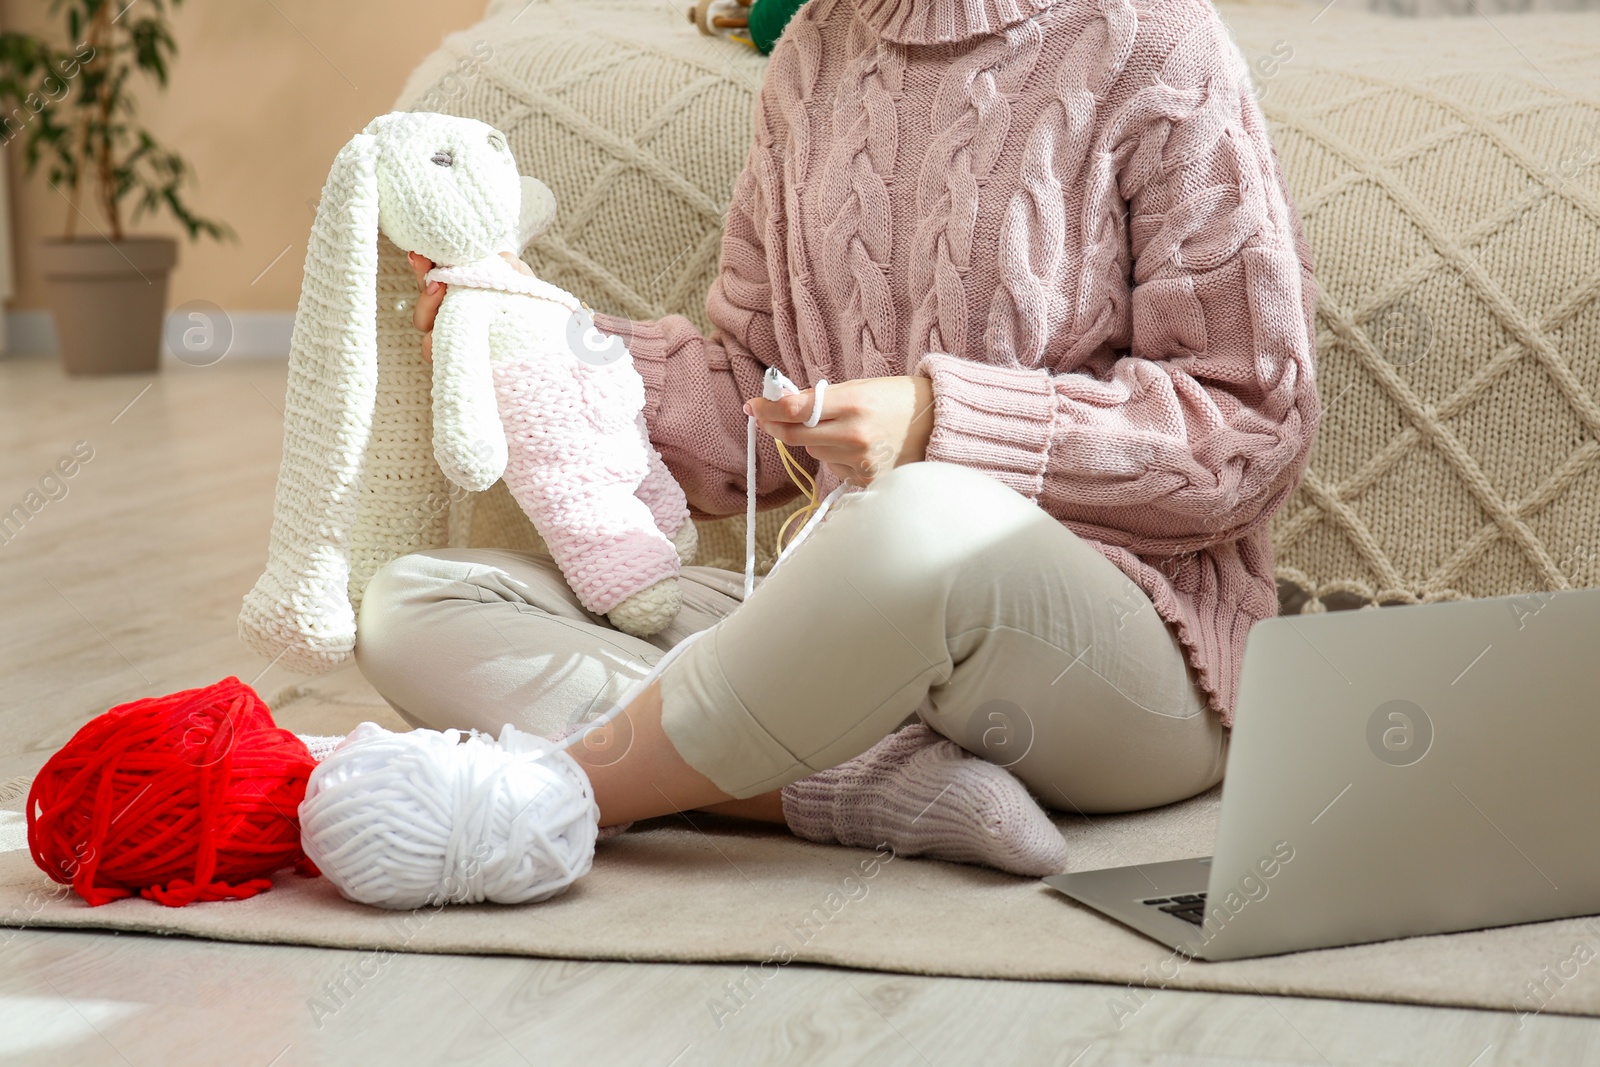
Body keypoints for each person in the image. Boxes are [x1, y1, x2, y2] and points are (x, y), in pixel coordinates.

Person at [356, 0, 1319, 877]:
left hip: (1133, 652)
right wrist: (547, 341)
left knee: (922, 517)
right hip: (850, 610)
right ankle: (863, 788)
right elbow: (755, 387)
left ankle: (541, 804)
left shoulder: (1156, 41)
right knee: (416, 604)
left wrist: (941, 424)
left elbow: (1250, 426)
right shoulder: (814, 50)